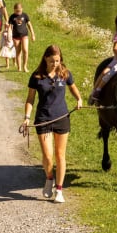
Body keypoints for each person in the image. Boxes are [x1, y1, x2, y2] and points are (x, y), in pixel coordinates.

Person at [23, 45, 82, 203]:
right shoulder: (37, 76)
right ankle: (49, 178)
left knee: (60, 155)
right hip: (43, 119)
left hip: (62, 118)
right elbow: (30, 99)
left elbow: (73, 88)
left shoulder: (65, 74)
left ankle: (59, 190)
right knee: (48, 157)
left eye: (57, 61)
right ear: (45, 59)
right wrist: (27, 117)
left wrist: (79, 99)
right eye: (52, 61)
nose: (55, 64)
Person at [8, 2, 35, 71]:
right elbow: (10, 27)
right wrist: (9, 34)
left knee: (25, 50)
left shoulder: (25, 15)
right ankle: (19, 67)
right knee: (18, 51)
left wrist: (32, 34)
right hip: (15, 36)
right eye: (16, 11)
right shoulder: (12, 17)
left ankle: (25, 66)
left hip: (24, 35)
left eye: (19, 11)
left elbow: (29, 25)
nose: (18, 12)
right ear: (14, 10)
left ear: (22, 9)